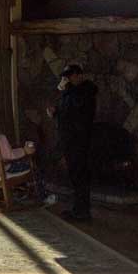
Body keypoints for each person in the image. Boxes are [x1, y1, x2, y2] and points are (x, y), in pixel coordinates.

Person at [48, 64, 97, 222]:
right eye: (65, 77)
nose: (66, 79)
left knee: (80, 176)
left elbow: (77, 110)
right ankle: (78, 209)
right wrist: (54, 113)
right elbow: (66, 112)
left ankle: (82, 212)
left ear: (78, 75)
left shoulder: (85, 91)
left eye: (69, 76)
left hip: (79, 140)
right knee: (75, 176)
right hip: (69, 140)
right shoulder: (70, 92)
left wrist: (65, 90)